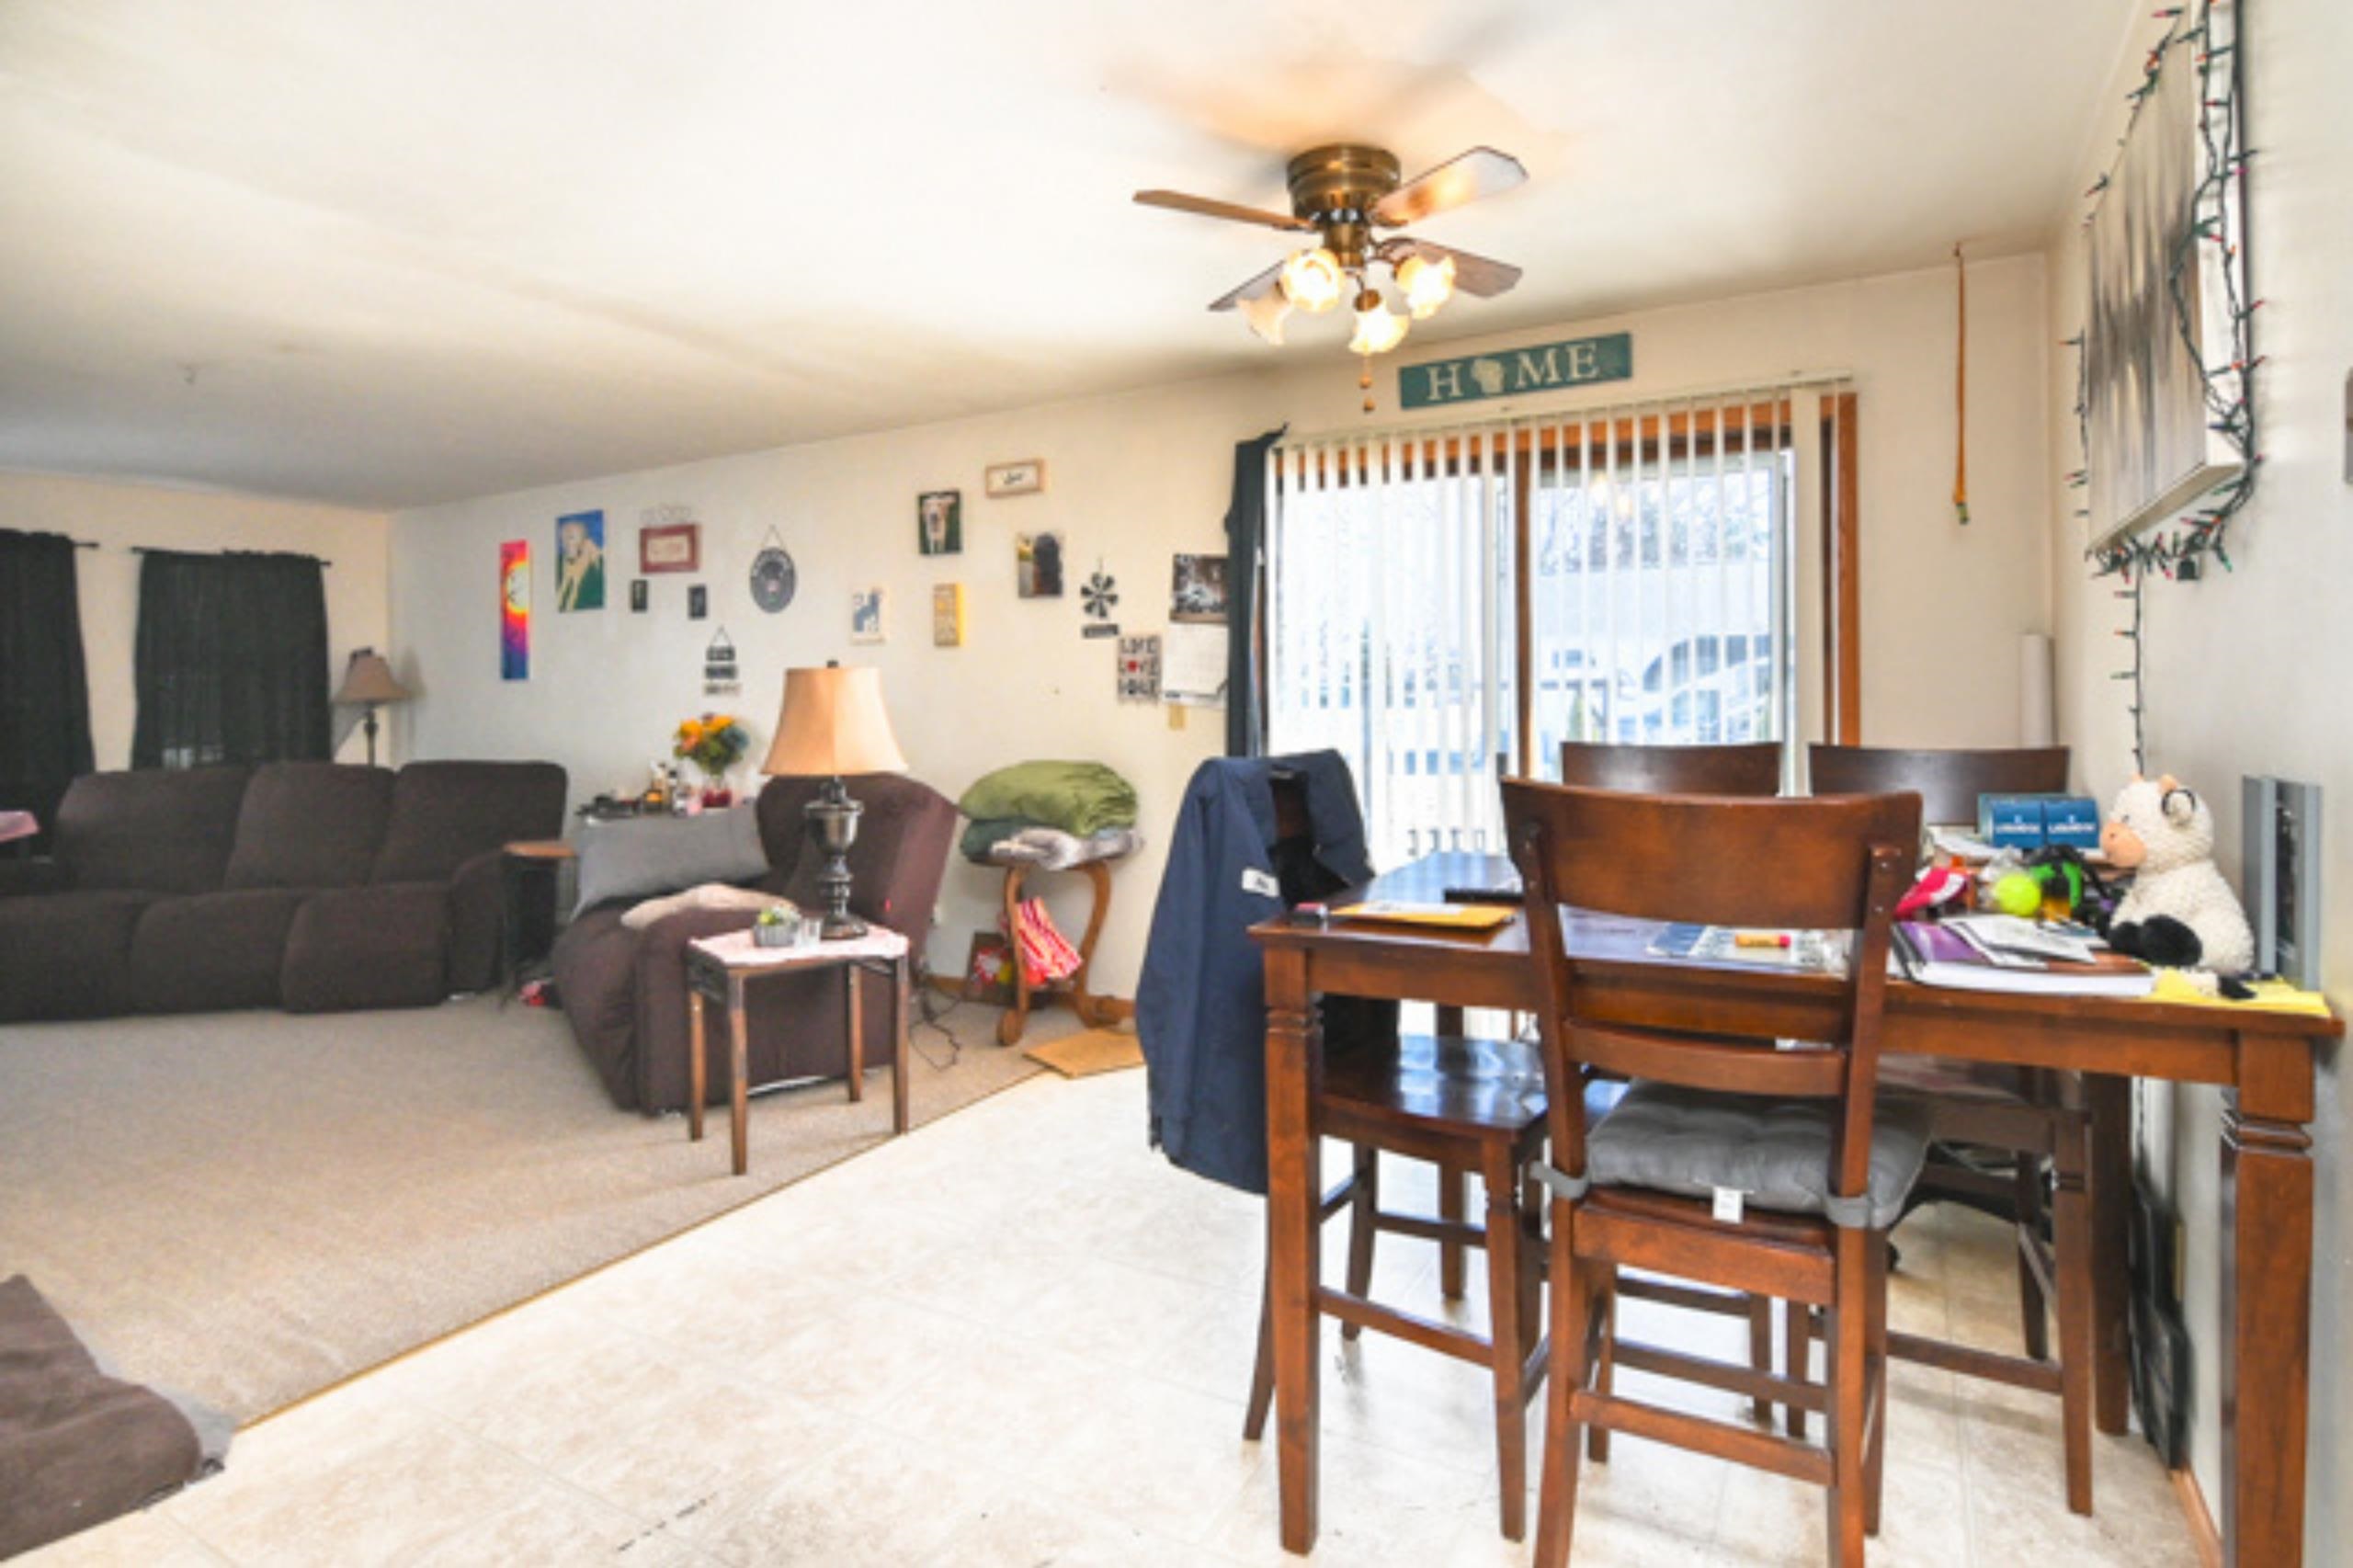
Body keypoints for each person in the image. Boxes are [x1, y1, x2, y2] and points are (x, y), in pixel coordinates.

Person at [556, 517, 604, 611]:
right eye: (563, 538)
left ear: (584, 540)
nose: (566, 543)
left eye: (571, 537)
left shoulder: (597, 564)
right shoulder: (559, 563)